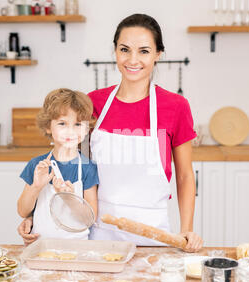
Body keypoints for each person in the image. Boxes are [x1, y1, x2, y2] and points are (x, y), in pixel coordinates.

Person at [18, 13, 203, 252]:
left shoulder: (176, 106)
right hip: (98, 232)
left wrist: (186, 229)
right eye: (125, 49)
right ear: (115, 51)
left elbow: (185, 176)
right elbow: (68, 163)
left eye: (144, 51)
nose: (133, 59)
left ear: (158, 54)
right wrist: (36, 214)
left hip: (153, 235)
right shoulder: (94, 102)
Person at [17, 88, 99, 245]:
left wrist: (68, 198)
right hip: (40, 247)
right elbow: (22, 211)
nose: (70, 131)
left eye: (77, 124)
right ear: (48, 126)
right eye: (62, 123)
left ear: (87, 128)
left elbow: (90, 218)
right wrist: (36, 187)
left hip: (77, 248)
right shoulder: (37, 165)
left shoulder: (88, 168)